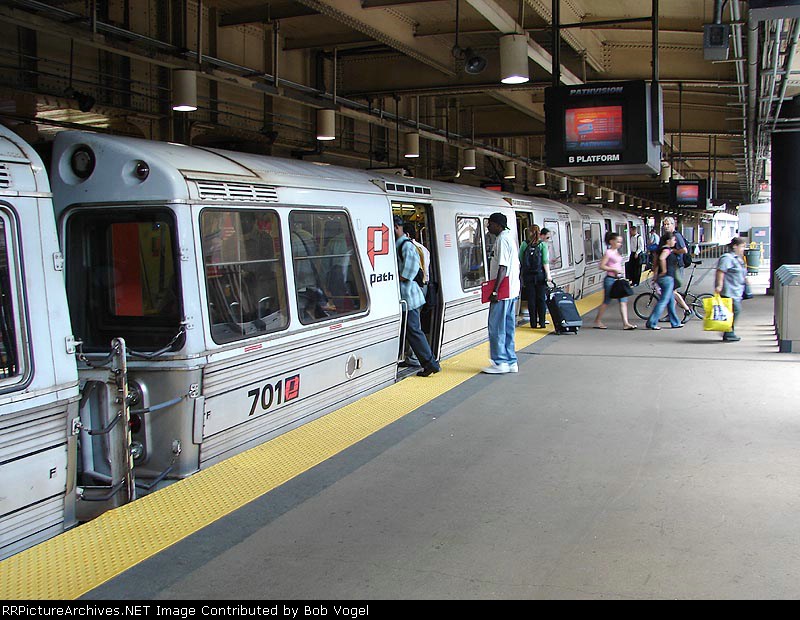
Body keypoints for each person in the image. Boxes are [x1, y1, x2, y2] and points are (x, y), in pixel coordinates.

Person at [394, 215, 440, 377]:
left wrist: (391, 277)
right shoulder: (398, 245)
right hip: (405, 298)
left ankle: (430, 363)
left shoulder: (406, 246)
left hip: (410, 298)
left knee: (414, 331)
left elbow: (409, 272)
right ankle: (428, 362)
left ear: (398, 227)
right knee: (412, 331)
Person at [483, 212, 520, 374]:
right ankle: (511, 360)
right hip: (512, 290)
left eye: (490, 223)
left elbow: (502, 267)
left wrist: (495, 291)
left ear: (498, 225)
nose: (488, 226)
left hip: (503, 291)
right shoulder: (509, 238)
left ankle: (499, 361)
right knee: (508, 326)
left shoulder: (501, 240)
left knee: (496, 326)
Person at [593, 232, 638, 330]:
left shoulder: (617, 252)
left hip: (619, 279)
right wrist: (613, 270)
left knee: (623, 301)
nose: (620, 244)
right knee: (607, 301)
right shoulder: (608, 252)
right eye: (618, 242)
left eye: (620, 242)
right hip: (610, 280)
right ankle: (597, 320)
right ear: (611, 241)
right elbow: (601, 266)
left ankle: (626, 323)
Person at [645, 231, 684, 330]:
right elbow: (662, 259)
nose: (675, 242)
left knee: (671, 301)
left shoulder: (660, 250)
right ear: (668, 241)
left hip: (662, 278)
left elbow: (655, 264)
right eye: (674, 240)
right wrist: (665, 270)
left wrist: (656, 275)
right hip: (667, 278)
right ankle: (652, 322)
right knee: (663, 301)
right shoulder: (666, 250)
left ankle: (675, 322)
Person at [714, 237, 748, 342]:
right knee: (735, 310)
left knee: (734, 310)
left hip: (736, 290)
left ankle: (728, 331)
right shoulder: (727, 258)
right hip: (729, 290)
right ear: (735, 246)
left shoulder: (737, 258)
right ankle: (728, 332)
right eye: (742, 246)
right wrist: (719, 285)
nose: (743, 249)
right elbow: (721, 271)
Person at [661, 217, 692, 323]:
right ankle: (671, 314)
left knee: (672, 291)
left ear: (673, 225)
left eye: (668, 224)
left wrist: (671, 250)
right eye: (664, 224)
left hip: (677, 266)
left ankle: (687, 310)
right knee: (672, 291)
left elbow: (684, 250)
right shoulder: (667, 236)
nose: (666, 226)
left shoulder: (677, 236)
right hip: (672, 266)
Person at [521, 226, 552, 329]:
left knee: (531, 300)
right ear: (539, 233)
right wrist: (548, 275)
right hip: (540, 275)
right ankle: (542, 322)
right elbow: (545, 261)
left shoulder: (524, 244)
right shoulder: (542, 245)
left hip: (528, 276)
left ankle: (533, 323)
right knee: (541, 299)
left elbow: (520, 259)